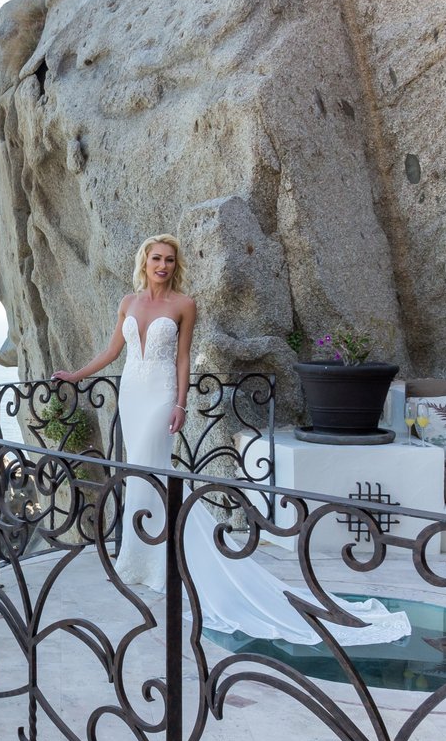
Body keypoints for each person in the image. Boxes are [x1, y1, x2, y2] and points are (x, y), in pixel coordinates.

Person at [52, 234, 409, 647]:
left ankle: (164, 560)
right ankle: (139, 558)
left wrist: (181, 404)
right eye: (156, 259)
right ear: (144, 262)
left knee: (154, 470)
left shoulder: (184, 305)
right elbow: (113, 351)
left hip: (161, 394)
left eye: (169, 260)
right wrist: (75, 375)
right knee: (136, 472)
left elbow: (184, 358)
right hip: (131, 394)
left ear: (175, 265)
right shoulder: (128, 303)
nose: (163, 266)